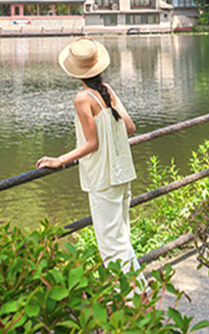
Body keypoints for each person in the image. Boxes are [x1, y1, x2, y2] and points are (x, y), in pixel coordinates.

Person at [36, 37, 143, 277]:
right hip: (122, 173)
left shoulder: (83, 98)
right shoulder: (107, 92)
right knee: (121, 239)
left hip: (103, 177)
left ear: (76, 71)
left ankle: (135, 295)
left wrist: (60, 160)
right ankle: (138, 292)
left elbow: (92, 143)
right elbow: (130, 127)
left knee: (112, 246)